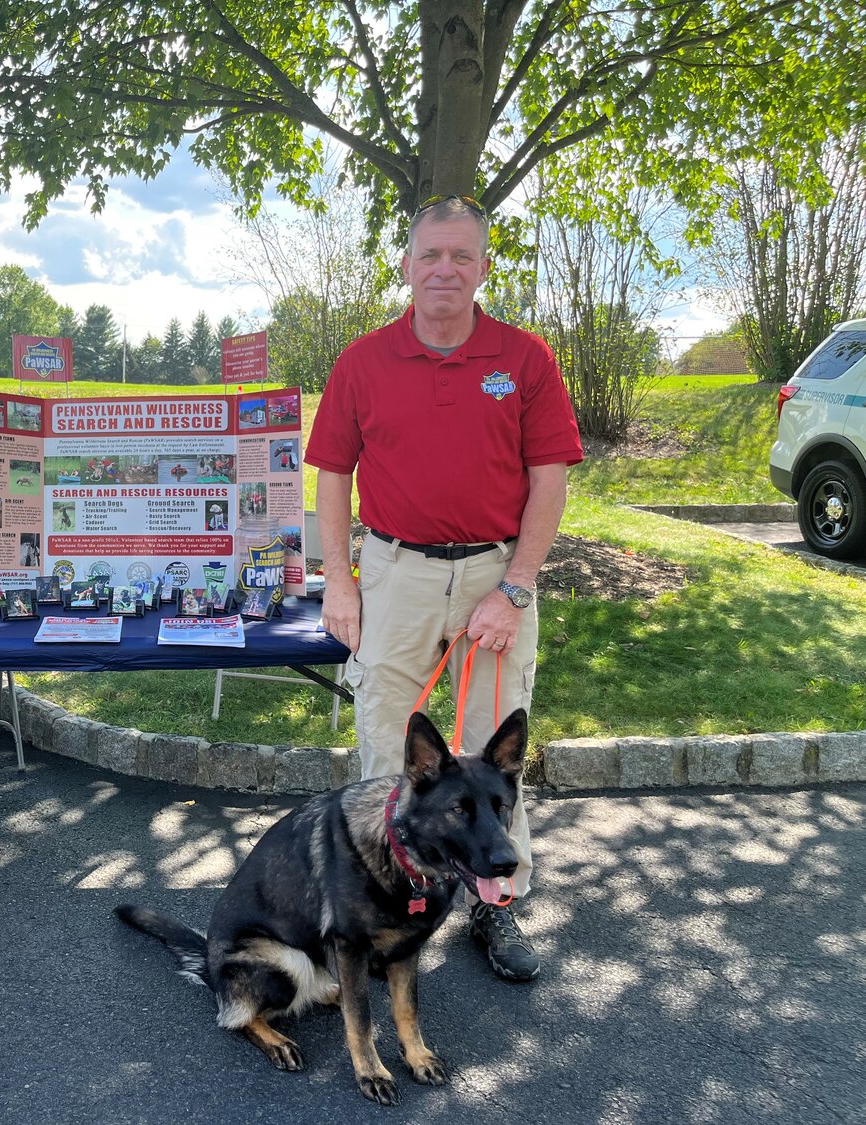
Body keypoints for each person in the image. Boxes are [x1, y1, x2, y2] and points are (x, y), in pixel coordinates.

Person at [304, 195, 584, 983]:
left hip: (497, 574)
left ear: (485, 266)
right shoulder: (362, 361)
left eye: (462, 256)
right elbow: (331, 475)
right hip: (395, 571)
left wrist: (518, 585)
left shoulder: (525, 359)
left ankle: (498, 906)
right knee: (390, 742)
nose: (445, 270)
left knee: (496, 754)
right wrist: (341, 582)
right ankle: (378, 902)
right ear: (406, 264)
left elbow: (549, 480)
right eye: (431, 255)